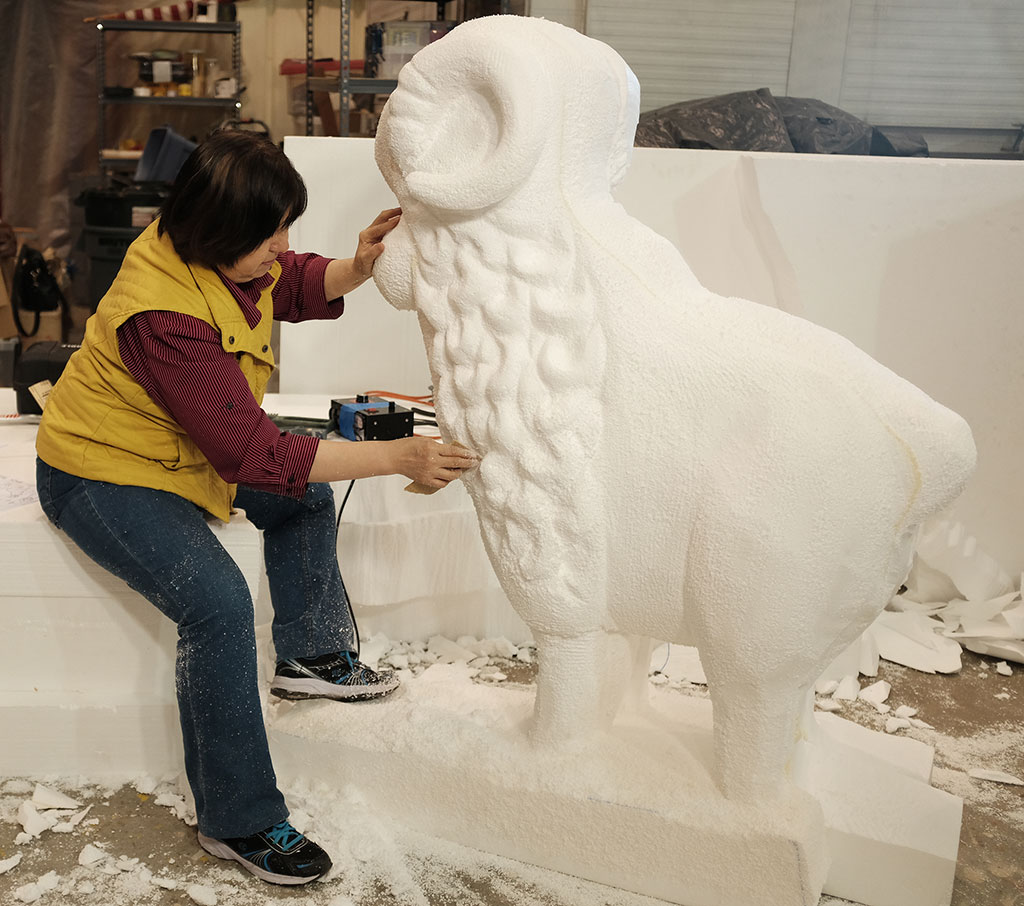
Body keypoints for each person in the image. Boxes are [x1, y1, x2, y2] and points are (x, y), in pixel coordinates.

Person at [34, 129, 478, 886]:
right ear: (221, 234)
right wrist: (398, 456)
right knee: (217, 604)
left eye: (283, 231)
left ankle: (309, 651)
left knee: (306, 496)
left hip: (181, 453)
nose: (281, 248)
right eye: (270, 236)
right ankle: (236, 819)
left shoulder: (221, 256)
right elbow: (255, 457)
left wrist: (359, 267)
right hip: (103, 473)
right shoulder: (162, 317)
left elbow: (292, 282)